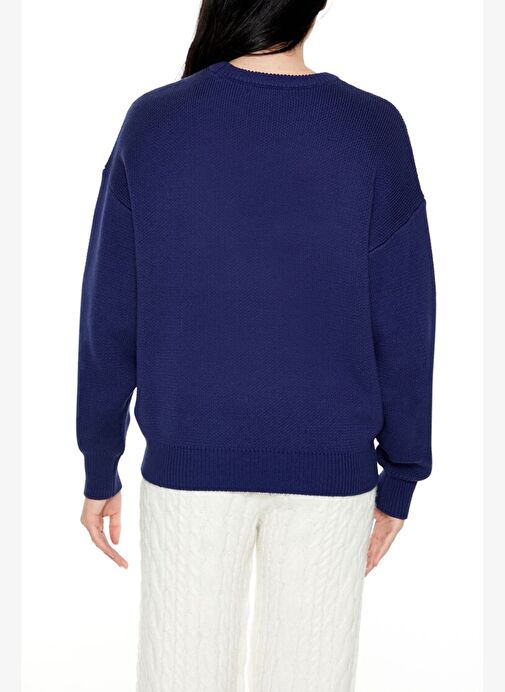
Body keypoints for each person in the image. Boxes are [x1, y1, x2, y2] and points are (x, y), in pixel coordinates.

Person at [77, 1, 436, 689]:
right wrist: (402, 472)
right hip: (331, 471)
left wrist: (100, 462)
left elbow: (109, 313)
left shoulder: (155, 122)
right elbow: (406, 319)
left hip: (190, 465)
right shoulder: (371, 129)